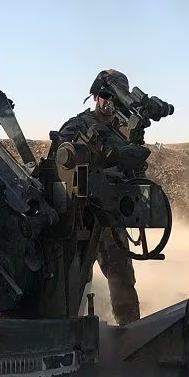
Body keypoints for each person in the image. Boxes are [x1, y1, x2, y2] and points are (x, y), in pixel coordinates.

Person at [55, 69, 141, 326]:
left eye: (114, 97)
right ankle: (69, 332)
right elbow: (59, 163)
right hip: (80, 215)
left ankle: (130, 333)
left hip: (111, 214)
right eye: (105, 95)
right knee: (74, 277)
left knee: (122, 275)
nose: (108, 101)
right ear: (95, 96)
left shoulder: (124, 132)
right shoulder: (77, 126)